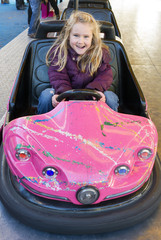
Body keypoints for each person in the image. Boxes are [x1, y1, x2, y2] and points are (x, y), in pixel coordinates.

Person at [37, 11, 119, 114]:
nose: (81, 41)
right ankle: (43, 125)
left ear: (92, 37)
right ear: (68, 35)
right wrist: (62, 94)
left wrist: (96, 91)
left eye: (86, 37)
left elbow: (105, 75)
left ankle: (108, 127)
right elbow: (58, 76)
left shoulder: (100, 53)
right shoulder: (60, 53)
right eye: (76, 35)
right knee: (46, 96)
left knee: (110, 97)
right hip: (64, 94)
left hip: (93, 95)